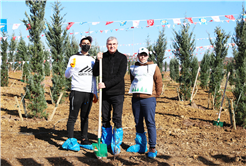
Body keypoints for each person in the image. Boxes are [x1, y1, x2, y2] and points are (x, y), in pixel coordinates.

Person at [93, 36, 127, 154]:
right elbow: (95, 72)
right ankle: (106, 143)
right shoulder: (103, 57)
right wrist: (97, 60)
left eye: (114, 44)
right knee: (105, 118)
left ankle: (116, 144)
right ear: (106, 45)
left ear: (117, 45)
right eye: (109, 44)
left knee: (117, 118)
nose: (111, 46)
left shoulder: (122, 58)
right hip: (105, 95)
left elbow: (120, 76)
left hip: (117, 93)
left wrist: (105, 84)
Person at [62, 36, 98, 151]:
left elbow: (94, 78)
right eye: (84, 43)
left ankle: (84, 139)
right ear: (80, 45)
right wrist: (71, 68)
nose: (86, 45)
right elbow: (67, 75)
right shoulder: (74, 58)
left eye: (88, 43)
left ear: (90, 46)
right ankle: (71, 139)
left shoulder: (92, 59)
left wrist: (95, 92)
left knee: (85, 117)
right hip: (77, 90)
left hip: (88, 92)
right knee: (73, 116)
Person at [127, 47, 163, 159]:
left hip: (149, 99)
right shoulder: (133, 68)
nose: (142, 57)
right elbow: (132, 80)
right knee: (138, 122)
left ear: (148, 56)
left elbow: (159, 81)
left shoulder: (153, 67)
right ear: (137, 56)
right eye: (140, 55)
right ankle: (141, 145)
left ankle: (152, 147)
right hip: (136, 99)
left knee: (150, 122)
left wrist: (155, 95)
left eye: (145, 55)